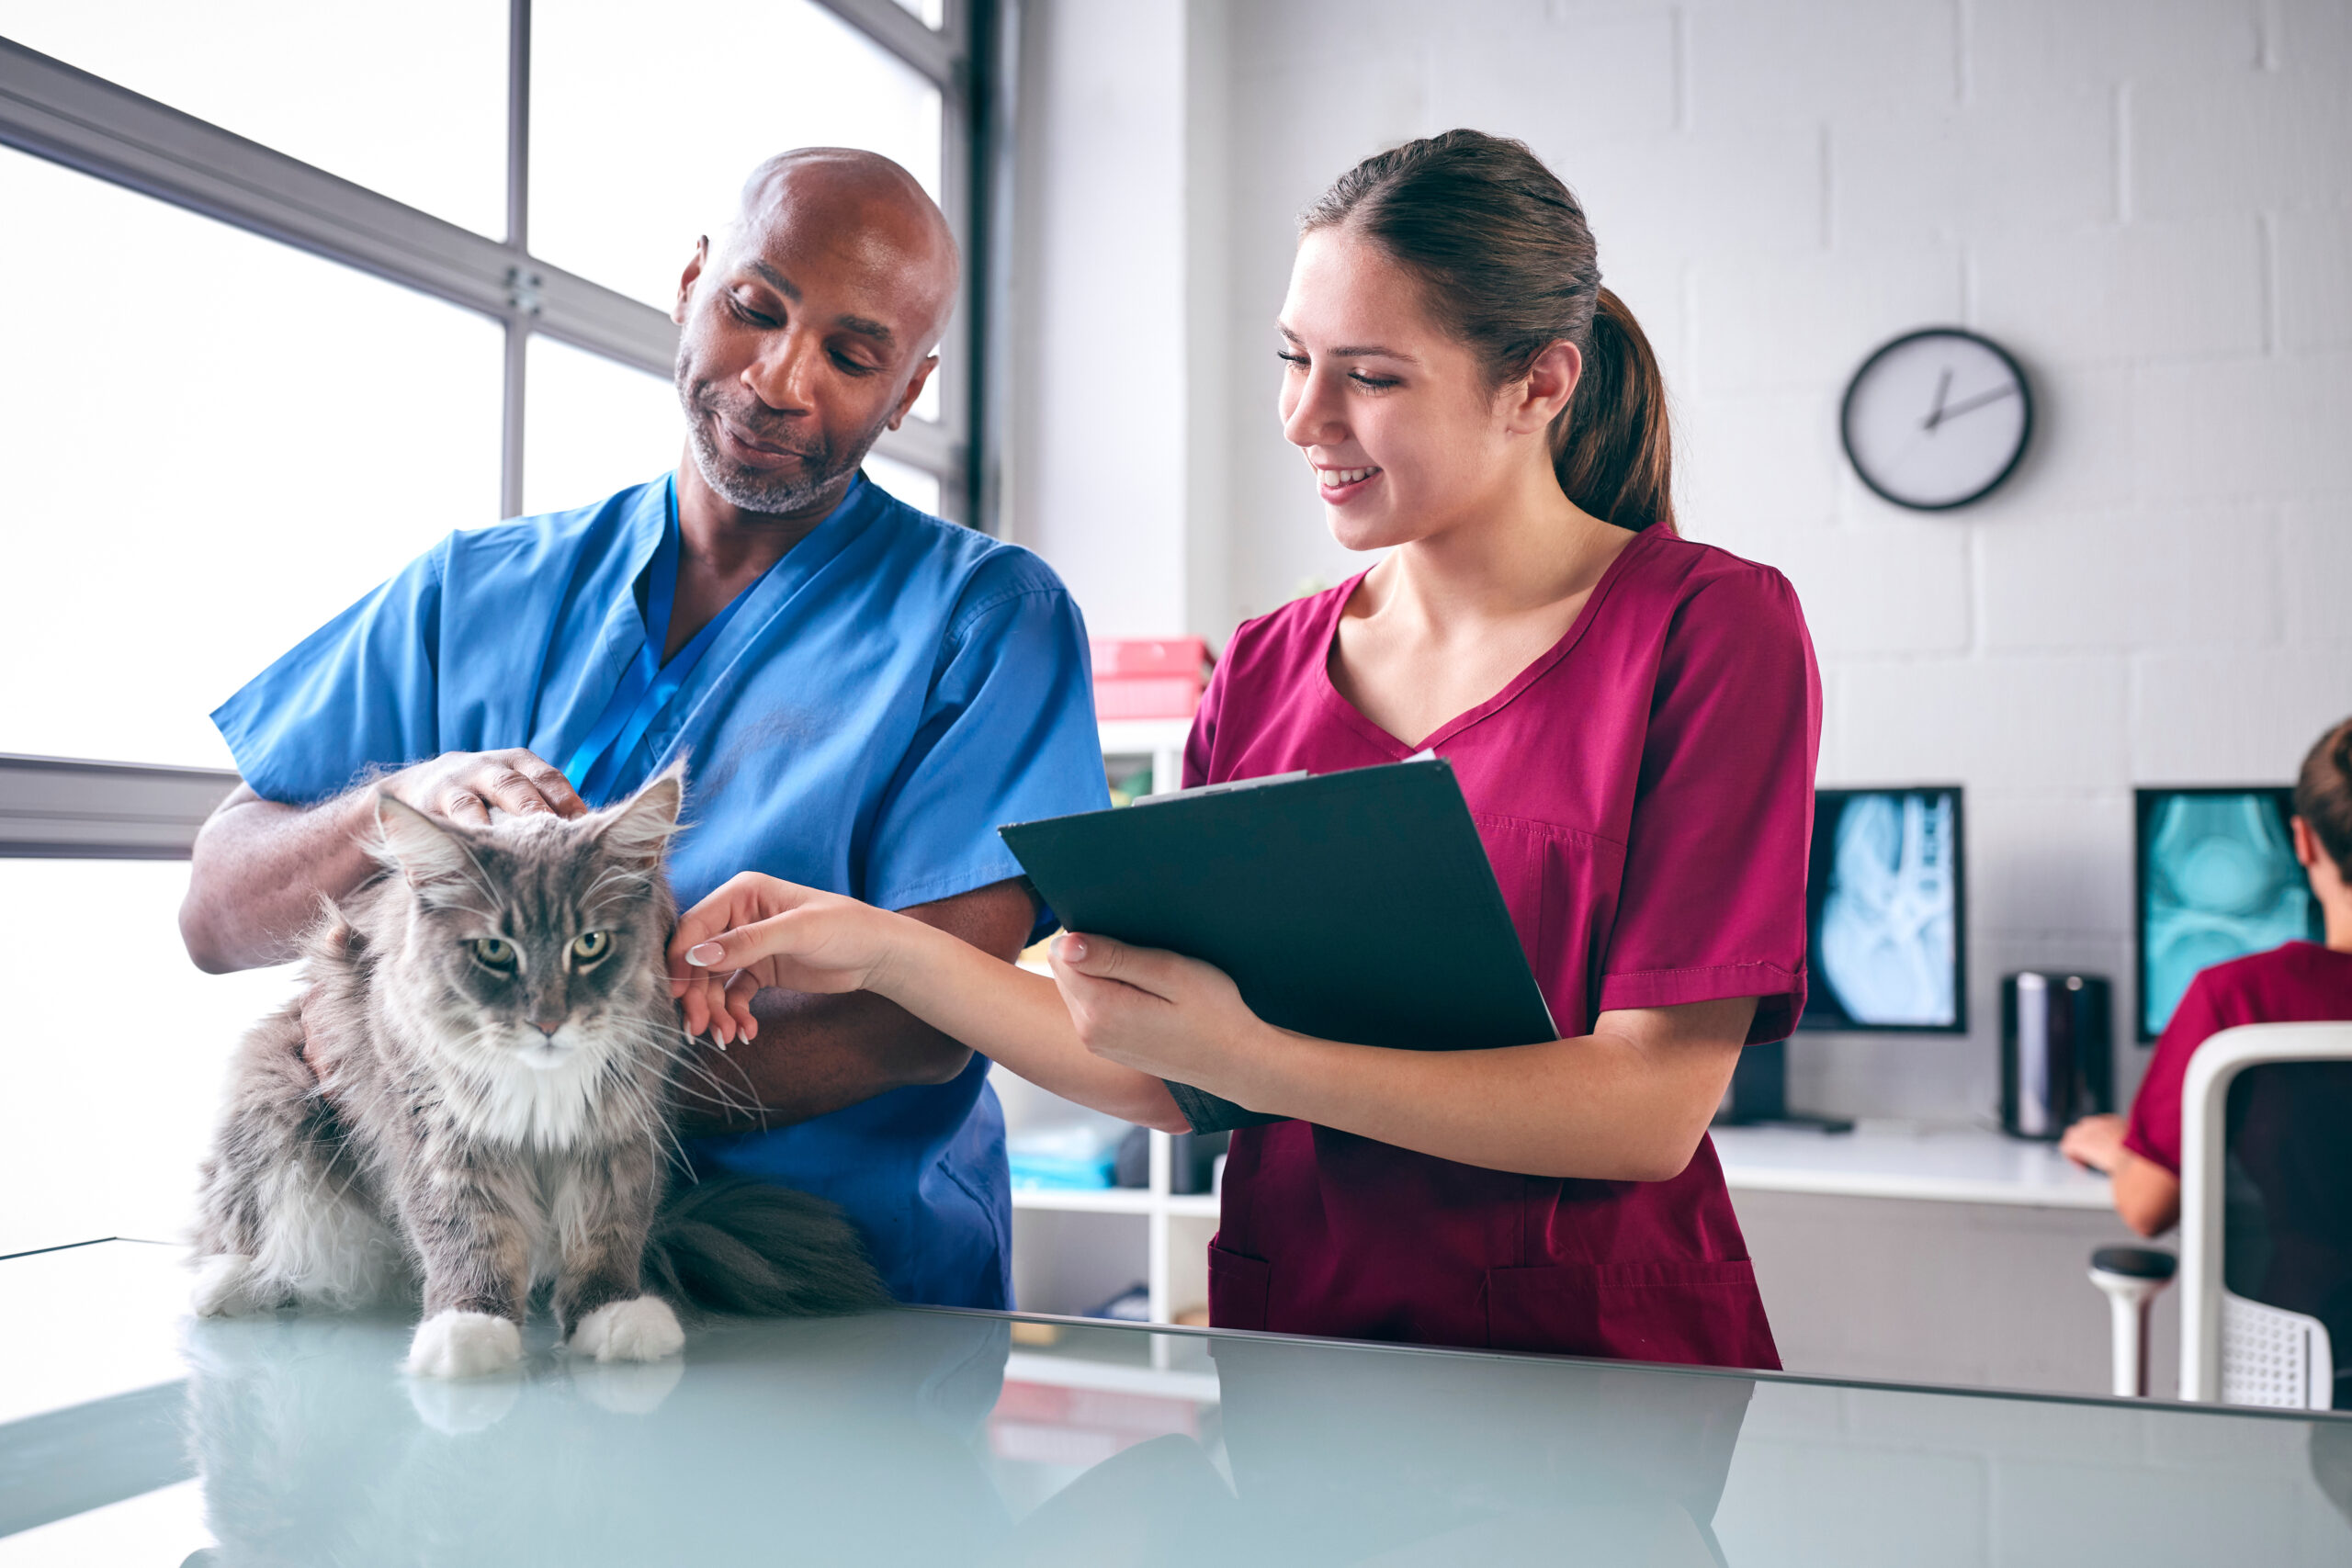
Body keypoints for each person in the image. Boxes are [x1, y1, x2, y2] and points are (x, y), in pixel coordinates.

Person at [669, 130, 1820, 1368]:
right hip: (1299, 1348)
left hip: (1590, 1365)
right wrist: (881, 943)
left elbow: (1650, 1106)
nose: (1305, 418)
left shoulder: (1710, 628)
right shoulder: (1267, 667)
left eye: (1369, 376)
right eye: (1292, 359)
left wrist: (1258, 1058)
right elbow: (1168, 1068)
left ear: (1539, 385)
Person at [177, 149, 1111, 1310]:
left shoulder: (986, 622)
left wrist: (475, 1084)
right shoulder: (469, 589)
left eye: (852, 354)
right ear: (689, 285)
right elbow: (217, 912)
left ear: (909, 391)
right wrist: (402, 800)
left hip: (829, 1303)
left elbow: (916, 1024)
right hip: (456, 1269)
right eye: (753, 309)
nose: (780, 379)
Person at [2063, 716, 2352, 1238]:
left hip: (2304, 1319)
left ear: (2303, 842)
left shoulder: (2236, 998)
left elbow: (2146, 1209)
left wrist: (2123, 1153)